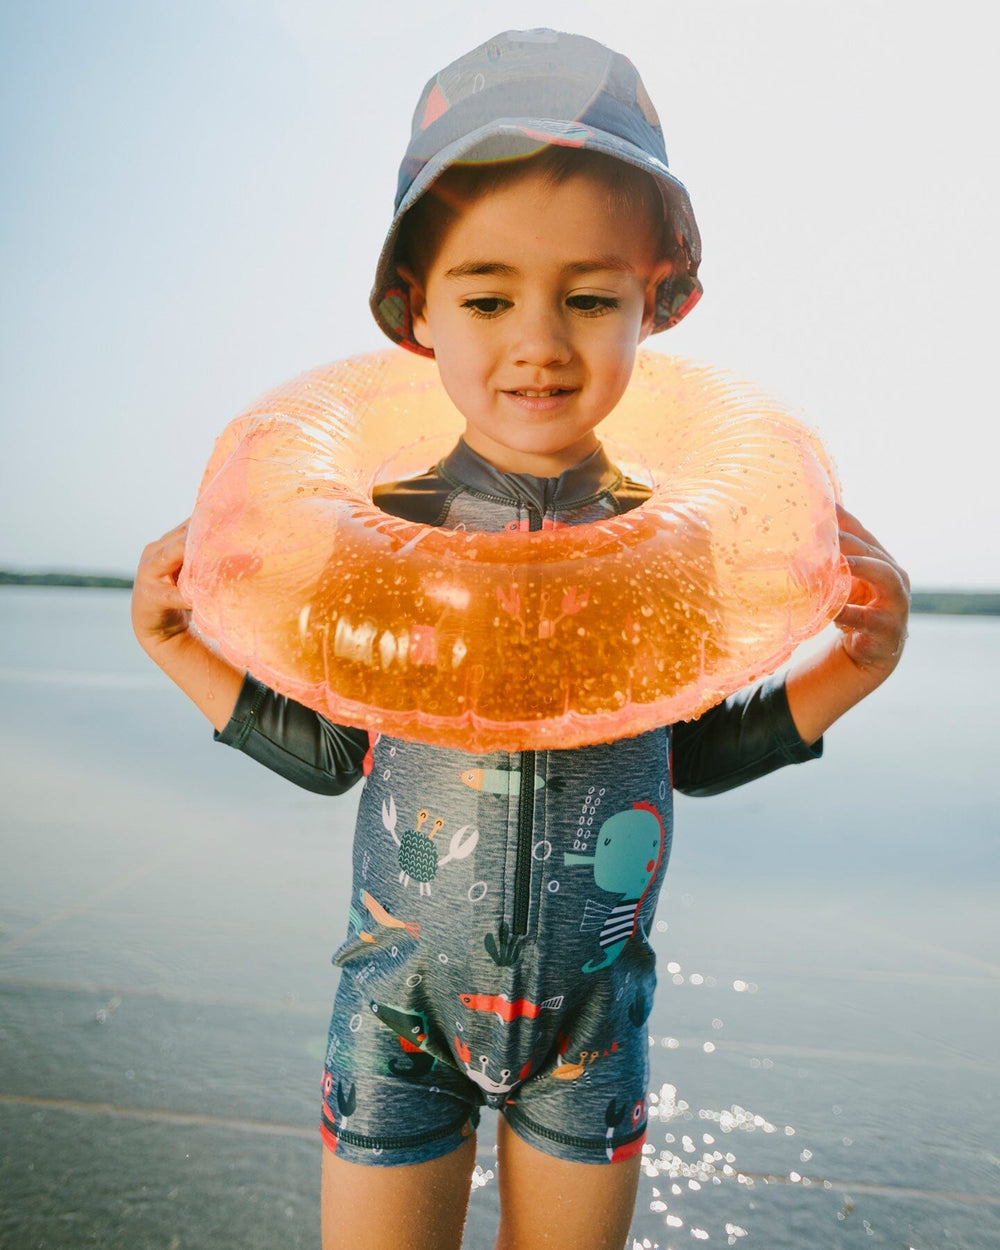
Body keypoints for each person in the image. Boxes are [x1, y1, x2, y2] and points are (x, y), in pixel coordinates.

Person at [131, 29, 910, 1250]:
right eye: (488, 296)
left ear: (655, 303)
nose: (538, 339)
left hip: (589, 1025)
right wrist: (181, 645)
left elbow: (689, 758)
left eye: (589, 297)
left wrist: (845, 671)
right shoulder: (379, 536)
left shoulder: (675, 542)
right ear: (416, 314)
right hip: (399, 1013)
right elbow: (339, 752)